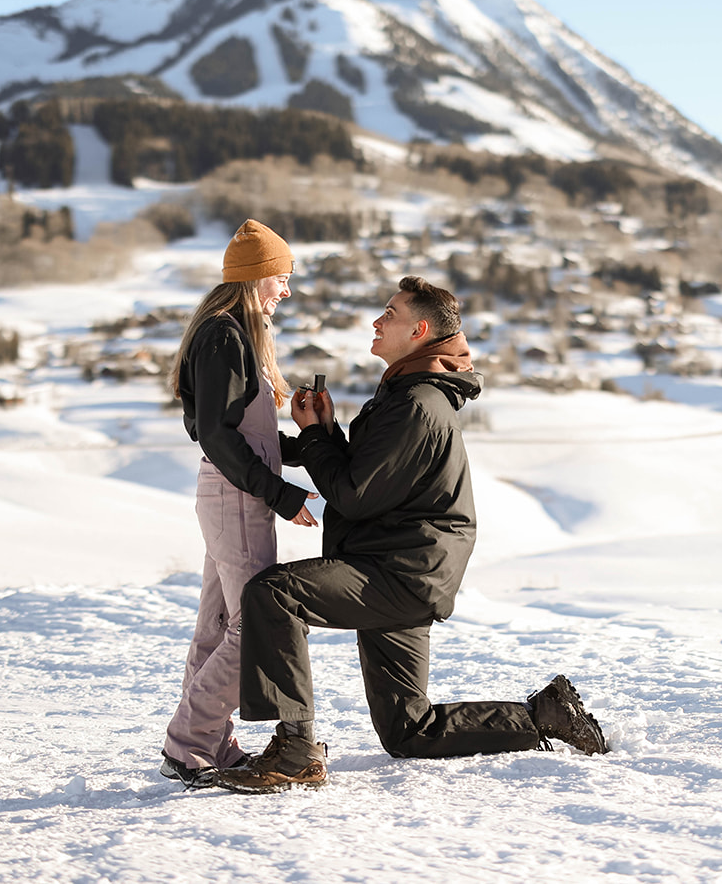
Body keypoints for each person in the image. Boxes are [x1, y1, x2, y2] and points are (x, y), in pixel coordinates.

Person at [214, 276, 607, 794]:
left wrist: (314, 438)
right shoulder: (408, 396)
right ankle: (543, 717)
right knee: (409, 731)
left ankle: (294, 751)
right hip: (405, 568)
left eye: (389, 313)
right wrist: (322, 434)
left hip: (397, 571)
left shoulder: (417, 404)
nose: (377, 321)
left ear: (419, 330)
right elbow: (368, 476)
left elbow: (353, 493)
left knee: (274, 594)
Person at [158, 219, 320, 789]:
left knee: (220, 623)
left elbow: (243, 436)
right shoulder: (225, 336)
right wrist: (278, 492)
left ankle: (207, 742)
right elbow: (219, 436)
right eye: (281, 279)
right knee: (254, 624)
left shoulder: (230, 335)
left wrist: (314, 442)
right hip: (236, 494)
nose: (286, 291)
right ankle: (187, 742)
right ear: (256, 278)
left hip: (231, 491)